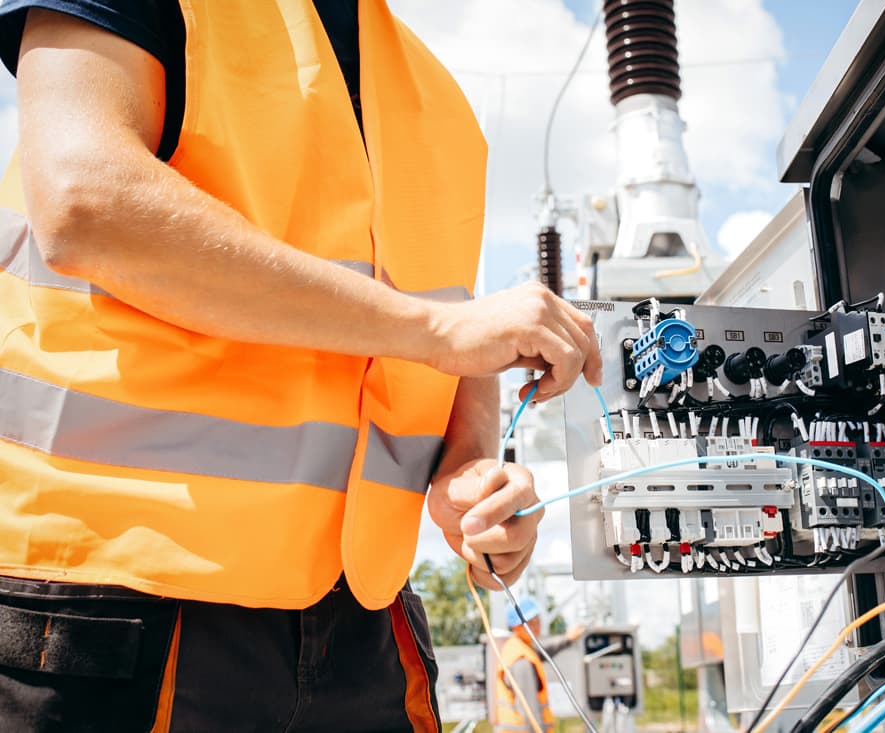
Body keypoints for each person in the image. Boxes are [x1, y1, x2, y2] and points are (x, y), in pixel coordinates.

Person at [0, 2, 601, 731]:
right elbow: (85, 201)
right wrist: (438, 328)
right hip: (109, 605)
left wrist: (469, 472)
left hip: (360, 634)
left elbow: (446, 320)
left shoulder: (438, 102)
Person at [494, 597, 585, 733]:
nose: (537, 626)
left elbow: (543, 651)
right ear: (515, 626)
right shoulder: (521, 662)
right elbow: (530, 713)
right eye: (530, 623)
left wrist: (567, 639)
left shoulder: (520, 647)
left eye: (537, 620)